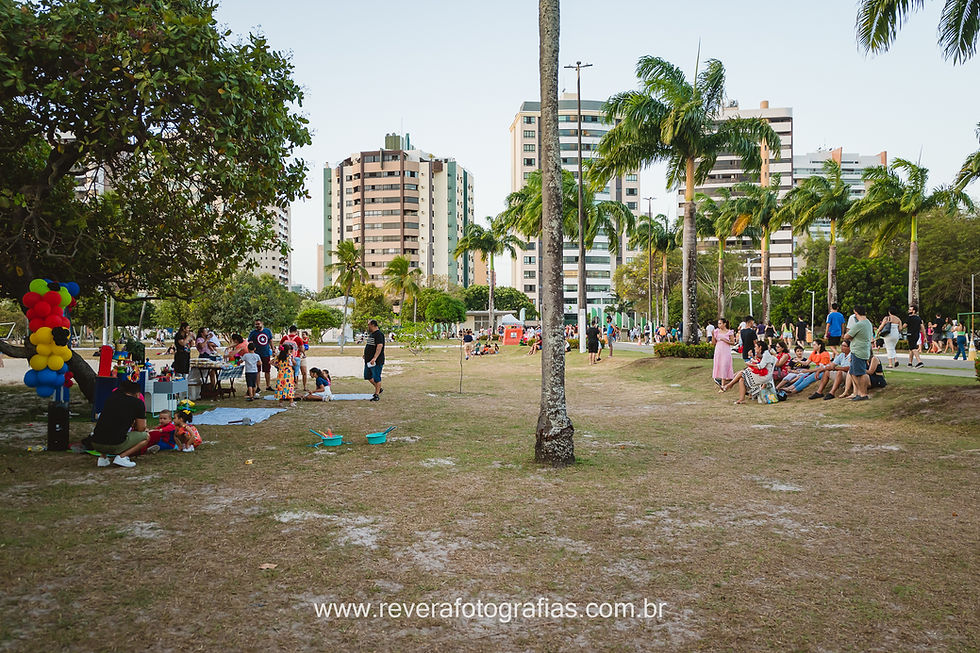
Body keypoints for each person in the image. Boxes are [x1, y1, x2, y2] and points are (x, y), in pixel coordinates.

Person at [84, 380, 148, 468]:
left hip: (95, 443)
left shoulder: (111, 398)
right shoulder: (138, 403)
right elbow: (141, 428)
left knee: (108, 429)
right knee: (146, 436)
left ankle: (103, 458)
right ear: (137, 394)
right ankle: (122, 457)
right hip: (115, 445)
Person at [721, 340, 776, 404]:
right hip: (762, 374)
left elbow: (760, 366)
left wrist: (750, 364)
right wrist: (751, 357)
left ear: (760, 347)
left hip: (764, 376)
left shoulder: (766, 354)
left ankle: (729, 385)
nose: (754, 348)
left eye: (756, 346)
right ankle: (741, 399)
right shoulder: (765, 353)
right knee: (741, 379)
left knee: (742, 373)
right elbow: (759, 361)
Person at [842, 304, 874, 401]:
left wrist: (850, 336)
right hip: (862, 350)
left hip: (858, 351)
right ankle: (859, 392)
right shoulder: (868, 323)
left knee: (860, 373)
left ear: (856, 313)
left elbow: (846, 336)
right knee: (852, 372)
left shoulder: (859, 324)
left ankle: (863, 394)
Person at [248, 319, 274, 391]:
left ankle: (268, 385)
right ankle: (258, 387)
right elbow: (250, 342)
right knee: (257, 370)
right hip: (256, 354)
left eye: (258, 324)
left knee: (267, 370)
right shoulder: (253, 333)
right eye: (256, 324)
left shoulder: (267, 331)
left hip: (266, 353)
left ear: (262, 323)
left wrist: (273, 349)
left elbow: (270, 341)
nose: (257, 326)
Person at [363, 319, 385, 401]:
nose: (368, 326)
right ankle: (379, 388)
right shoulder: (372, 334)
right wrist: (366, 355)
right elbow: (370, 345)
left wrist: (374, 358)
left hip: (376, 361)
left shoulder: (379, 334)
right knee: (367, 376)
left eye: (369, 325)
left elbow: (379, 346)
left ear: (372, 325)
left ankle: (376, 394)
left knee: (376, 377)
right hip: (368, 360)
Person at [711, 318, 735, 389]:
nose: (719, 325)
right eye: (718, 323)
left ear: (724, 324)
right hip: (718, 350)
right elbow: (713, 343)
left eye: (720, 323)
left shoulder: (729, 332)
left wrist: (725, 340)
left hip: (726, 350)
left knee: (724, 365)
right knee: (719, 364)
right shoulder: (716, 332)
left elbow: (733, 343)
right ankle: (719, 379)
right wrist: (713, 335)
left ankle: (723, 383)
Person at [280, 325, 305, 390]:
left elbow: (280, 347)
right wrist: (303, 353)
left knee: (286, 371)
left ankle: (286, 384)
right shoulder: (298, 338)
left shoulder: (285, 338)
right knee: (296, 372)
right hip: (296, 357)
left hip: (285, 357)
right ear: (296, 331)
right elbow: (302, 348)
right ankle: (296, 385)